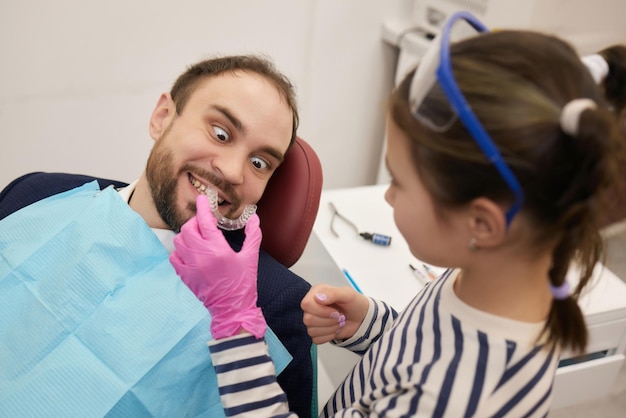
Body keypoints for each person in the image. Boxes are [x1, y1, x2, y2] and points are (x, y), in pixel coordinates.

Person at [168, 12, 626, 418]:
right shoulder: (492, 277)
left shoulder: (454, 401)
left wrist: (233, 321)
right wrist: (369, 323)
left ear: (481, 224)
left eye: (400, 181)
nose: (387, 197)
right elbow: (423, 339)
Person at [0, 55, 313, 417]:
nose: (232, 171)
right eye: (220, 133)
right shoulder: (35, 195)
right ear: (162, 118)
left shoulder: (277, 307)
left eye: (260, 163)